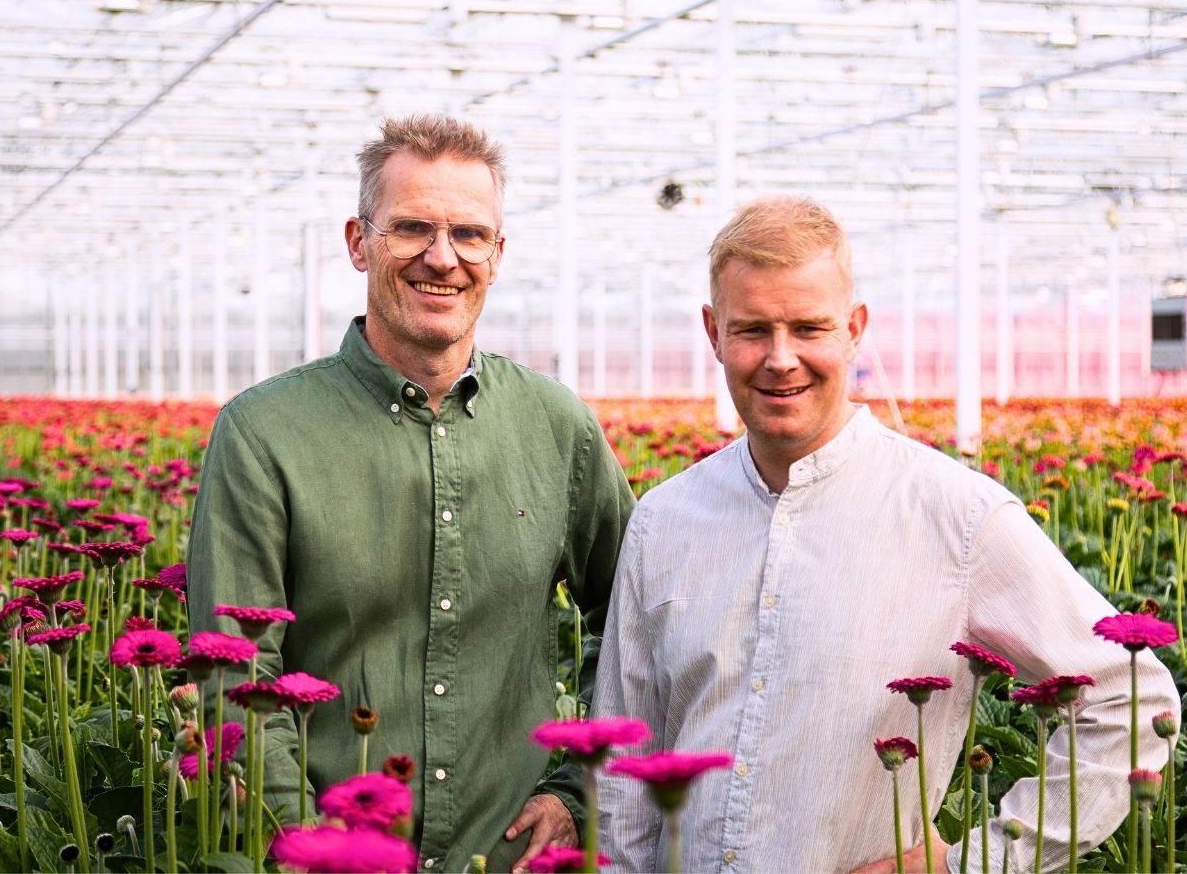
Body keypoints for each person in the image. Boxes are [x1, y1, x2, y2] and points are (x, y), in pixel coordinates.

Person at [594, 195, 1180, 872]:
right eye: (753, 329)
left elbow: (1129, 700)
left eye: (809, 328)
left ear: (854, 329)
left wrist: (980, 861)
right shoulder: (663, 521)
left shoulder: (956, 517)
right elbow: (623, 768)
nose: (781, 358)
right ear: (713, 332)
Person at [187, 114, 634, 873]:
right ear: (360, 241)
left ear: (497, 252)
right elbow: (236, 678)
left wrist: (577, 789)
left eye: (468, 233)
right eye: (411, 229)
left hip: (512, 854)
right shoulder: (264, 433)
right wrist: (318, 848)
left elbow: (633, 627)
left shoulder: (559, 426)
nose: (442, 258)